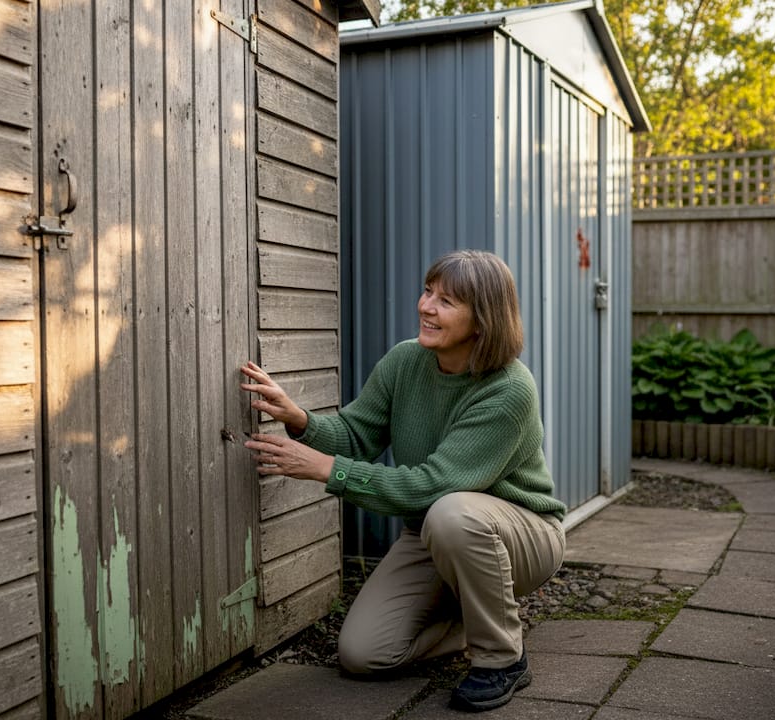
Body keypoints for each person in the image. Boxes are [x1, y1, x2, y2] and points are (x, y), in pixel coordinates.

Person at [240, 249, 566, 712]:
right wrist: (299, 419)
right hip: (436, 532)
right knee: (363, 654)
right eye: (428, 291)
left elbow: (435, 486)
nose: (426, 306)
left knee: (452, 512)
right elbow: (356, 435)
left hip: (520, 535)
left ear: (483, 320)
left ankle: (501, 658)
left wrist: (325, 470)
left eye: (446, 301)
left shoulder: (508, 389)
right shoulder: (405, 362)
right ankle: (476, 617)